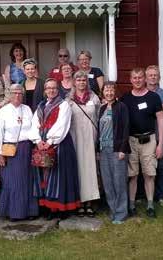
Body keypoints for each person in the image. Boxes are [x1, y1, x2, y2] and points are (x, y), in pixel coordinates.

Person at [29, 79, 81, 219]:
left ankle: (60, 208)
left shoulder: (64, 105)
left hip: (60, 144)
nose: (51, 91)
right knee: (44, 174)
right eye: (48, 88)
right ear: (45, 90)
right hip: (42, 144)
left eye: (54, 88)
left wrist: (51, 140)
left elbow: (62, 124)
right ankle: (47, 207)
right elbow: (34, 124)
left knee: (58, 176)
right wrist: (38, 140)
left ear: (58, 90)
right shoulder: (40, 106)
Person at [121, 67, 163, 218]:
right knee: (132, 175)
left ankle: (150, 205)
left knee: (149, 174)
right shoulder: (125, 98)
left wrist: (160, 144)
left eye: (140, 77)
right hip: (131, 141)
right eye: (134, 78)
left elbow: (160, 119)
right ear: (130, 80)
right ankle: (132, 205)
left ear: (145, 79)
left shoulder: (154, 97)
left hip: (149, 141)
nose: (137, 80)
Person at [0, 84, 39, 221]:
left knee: (27, 180)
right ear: (9, 94)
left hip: (26, 148)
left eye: (20, 93)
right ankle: (13, 212)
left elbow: (33, 128)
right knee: (12, 182)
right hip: (9, 149)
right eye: (14, 93)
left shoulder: (27, 109)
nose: (17, 96)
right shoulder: (3, 111)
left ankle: (30, 211)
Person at [68, 70, 100, 217]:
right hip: (75, 138)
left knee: (90, 169)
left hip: (90, 137)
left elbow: (100, 116)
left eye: (83, 80)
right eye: (78, 80)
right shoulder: (69, 99)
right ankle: (80, 202)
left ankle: (90, 201)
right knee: (79, 169)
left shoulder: (94, 98)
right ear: (74, 82)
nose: (81, 82)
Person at [98, 82, 130, 224]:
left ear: (115, 92)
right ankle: (113, 210)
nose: (109, 93)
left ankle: (122, 213)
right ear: (103, 92)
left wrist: (123, 149)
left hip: (117, 149)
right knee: (108, 182)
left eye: (111, 90)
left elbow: (125, 128)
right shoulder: (102, 108)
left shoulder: (121, 107)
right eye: (106, 90)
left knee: (119, 182)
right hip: (103, 149)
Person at [146, 65, 163, 206]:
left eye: (155, 75)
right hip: (145, 136)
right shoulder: (142, 92)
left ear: (159, 77)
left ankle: (160, 196)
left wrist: (147, 111)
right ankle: (143, 195)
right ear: (146, 77)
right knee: (144, 166)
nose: (153, 77)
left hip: (160, 136)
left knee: (160, 166)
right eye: (150, 75)